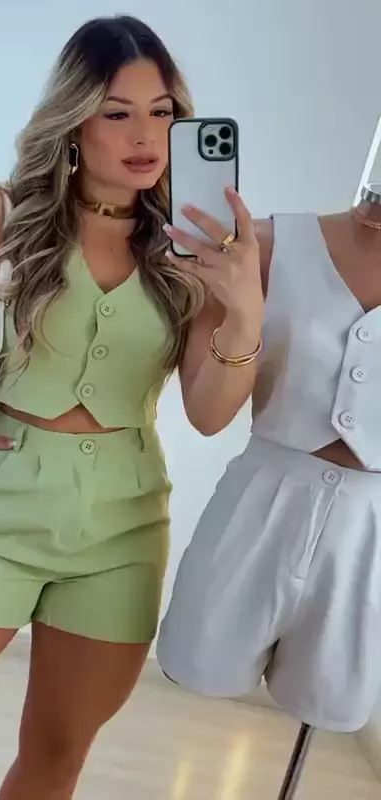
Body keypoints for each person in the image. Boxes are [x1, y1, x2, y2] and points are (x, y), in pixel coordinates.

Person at [0, 15, 263, 798]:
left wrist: (244, 313)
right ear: (73, 121)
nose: (145, 135)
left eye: (162, 112)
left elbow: (209, 413)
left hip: (122, 530)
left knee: (57, 755)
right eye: (117, 112)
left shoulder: (193, 246)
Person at [158, 184, 381, 735]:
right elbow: (207, 416)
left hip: (371, 540)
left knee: (330, 701)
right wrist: (241, 313)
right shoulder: (263, 246)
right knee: (199, 663)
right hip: (257, 506)